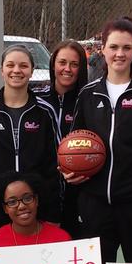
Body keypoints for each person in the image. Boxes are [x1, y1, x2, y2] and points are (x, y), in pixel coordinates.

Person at [68, 17, 132, 264]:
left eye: (126, 47)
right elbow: (73, 144)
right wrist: (68, 169)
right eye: (114, 47)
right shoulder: (89, 93)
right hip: (95, 203)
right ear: (102, 49)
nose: (119, 54)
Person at [0, 45, 61, 237]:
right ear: (2, 70)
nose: (17, 70)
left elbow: (53, 166)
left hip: (34, 210)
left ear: (31, 71)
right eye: (10, 65)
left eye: (23, 66)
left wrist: (53, 211)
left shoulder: (45, 111)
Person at [34, 40, 89, 238]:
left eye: (74, 64)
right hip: (44, 192)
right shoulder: (36, 98)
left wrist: (87, 169)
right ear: (53, 65)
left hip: (79, 191)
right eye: (62, 62)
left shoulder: (89, 99)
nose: (67, 69)